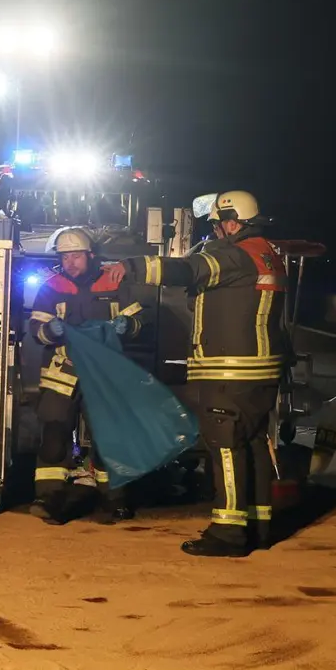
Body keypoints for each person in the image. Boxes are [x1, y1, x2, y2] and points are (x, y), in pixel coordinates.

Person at [107, 190, 287, 557]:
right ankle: (258, 526)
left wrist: (136, 266)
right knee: (251, 444)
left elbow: (188, 269)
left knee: (224, 446)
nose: (216, 232)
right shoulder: (266, 253)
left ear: (233, 222)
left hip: (230, 371)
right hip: (261, 372)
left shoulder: (231, 254)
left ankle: (228, 532)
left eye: (219, 224)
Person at [27, 227, 144, 524]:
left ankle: (115, 498)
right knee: (53, 434)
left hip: (103, 372)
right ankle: (49, 497)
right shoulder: (51, 285)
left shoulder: (114, 281)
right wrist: (47, 332)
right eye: (65, 257)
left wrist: (127, 327)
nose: (70, 262)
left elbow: (140, 321)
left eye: (76, 255)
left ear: (90, 255)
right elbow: (36, 328)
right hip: (62, 372)